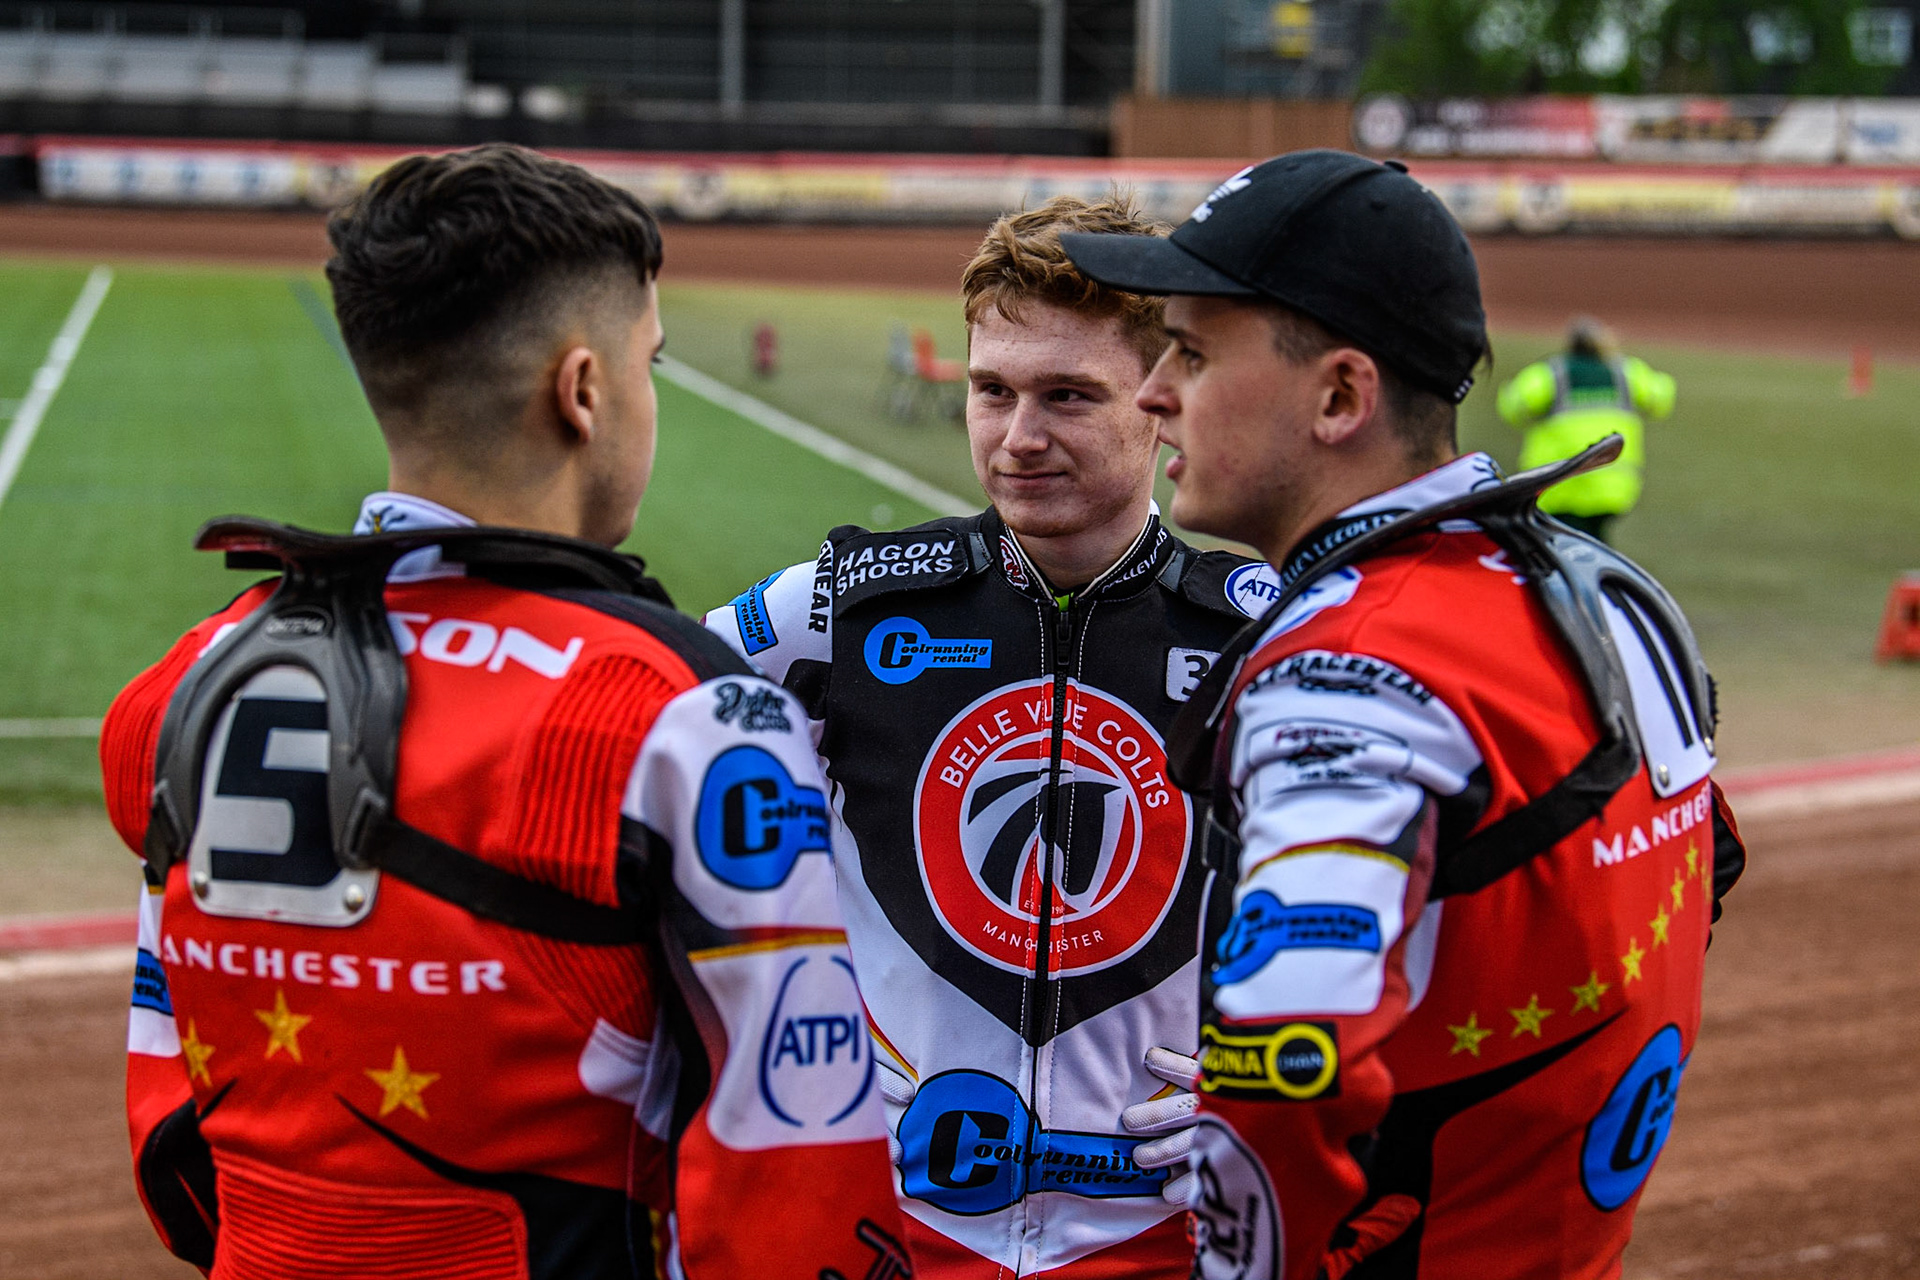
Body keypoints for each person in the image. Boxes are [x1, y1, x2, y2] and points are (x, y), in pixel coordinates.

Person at [101, 143, 904, 1280]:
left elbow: (168, 1114)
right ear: (580, 391)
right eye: (648, 365)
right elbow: (795, 1169)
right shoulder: (684, 711)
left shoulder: (191, 675)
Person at [1062, 150, 1745, 1280]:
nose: (1151, 391)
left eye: (1190, 350)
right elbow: (1694, 868)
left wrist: (1254, 1155)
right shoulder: (1606, 588)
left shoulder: (1345, 668)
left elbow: (1293, 1055)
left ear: (1339, 395)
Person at [704, 195, 1272, 1277]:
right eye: (991, 391)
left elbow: (1411, 902)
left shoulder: (1272, 632)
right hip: (891, 1227)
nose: (1018, 437)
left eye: (1067, 394)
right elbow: (617, 753)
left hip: (1169, 1235)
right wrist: (795, 1023)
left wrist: (1273, 1081)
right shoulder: (840, 609)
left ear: (1162, 402)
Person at [1496, 317, 1676, 544]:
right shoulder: (1625, 372)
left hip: (1560, 484)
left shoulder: (1552, 374)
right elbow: (1661, 397)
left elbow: (1514, 405)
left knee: (1561, 548)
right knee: (1595, 543)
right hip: (1612, 485)